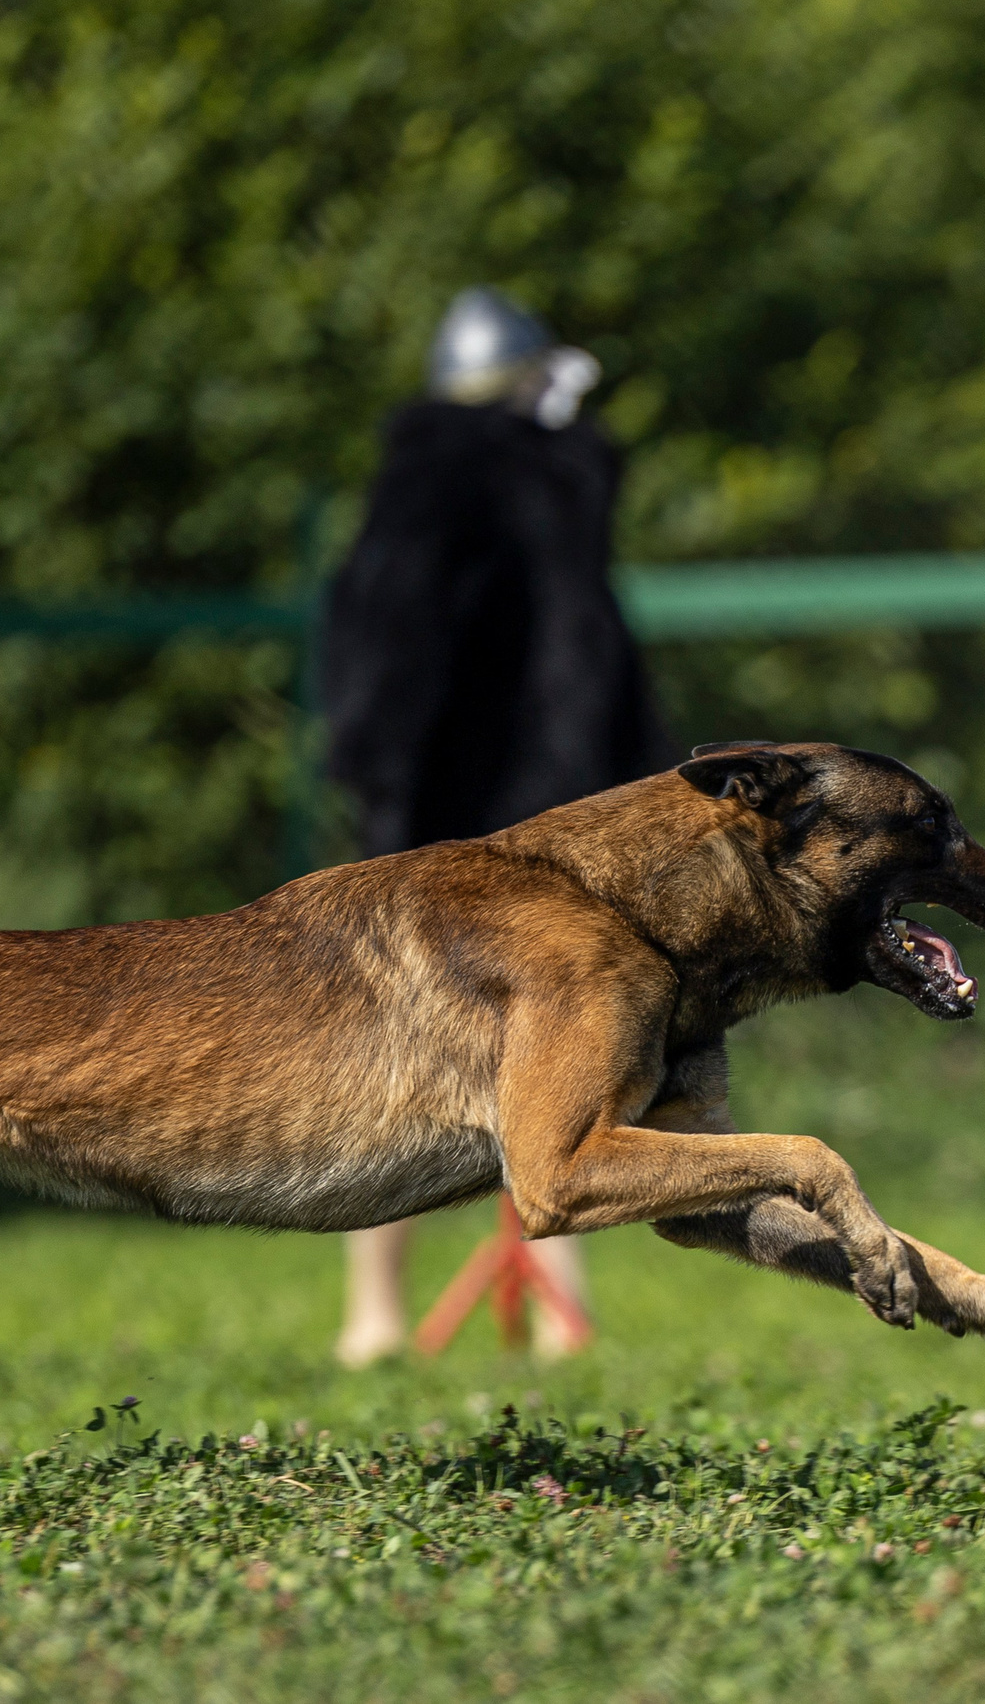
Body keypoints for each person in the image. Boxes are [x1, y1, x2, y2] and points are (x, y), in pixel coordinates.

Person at [318, 287, 675, 1365]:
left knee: (409, 1060)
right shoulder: (530, 480)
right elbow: (574, 657)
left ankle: (378, 1316)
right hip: (524, 819)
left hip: (429, 817)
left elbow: (368, 666)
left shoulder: (406, 485)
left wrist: (383, 800)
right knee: (548, 1044)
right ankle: (457, 1308)